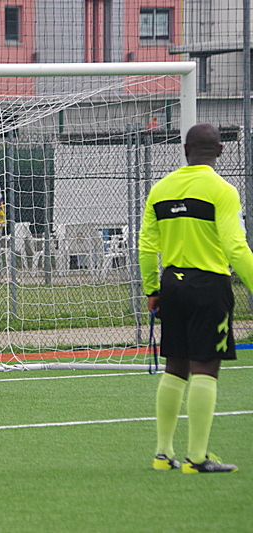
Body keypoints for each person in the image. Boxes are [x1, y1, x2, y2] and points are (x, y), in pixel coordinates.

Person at [139, 123, 251, 473]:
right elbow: (235, 247)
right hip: (208, 286)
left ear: (185, 150)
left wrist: (152, 289)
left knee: (175, 367)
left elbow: (147, 246)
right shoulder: (223, 190)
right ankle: (197, 458)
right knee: (206, 367)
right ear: (220, 151)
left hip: (171, 286)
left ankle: (162, 454)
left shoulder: (160, 189)